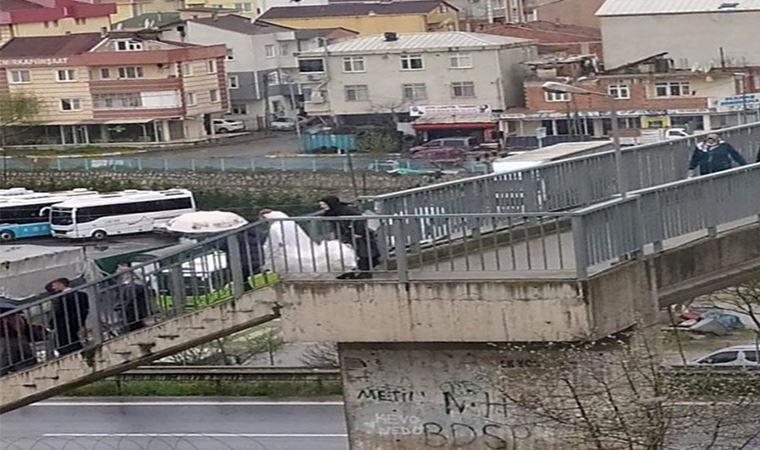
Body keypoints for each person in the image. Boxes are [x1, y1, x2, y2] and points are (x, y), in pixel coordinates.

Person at [319, 196, 380, 279]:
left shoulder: (346, 210)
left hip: (358, 235)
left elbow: (359, 219)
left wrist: (358, 232)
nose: (322, 207)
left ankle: (364, 273)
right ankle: (349, 272)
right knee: (348, 254)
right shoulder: (332, 212)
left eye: (324, 205)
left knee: (362, 253)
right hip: (346, 235)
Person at [48, 278, 90, 356]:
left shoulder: (62, 298)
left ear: (61, 284)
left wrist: (52, 323)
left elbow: (59, 312)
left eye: (54, 285)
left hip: (65, 324)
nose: (54, 288)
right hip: (76, 322)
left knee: (64, 342)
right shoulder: (81, 295)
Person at [0, 303, 37, 375]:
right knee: (26, 363)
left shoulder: (4, 320)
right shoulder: (17, 317)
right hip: (20, 339)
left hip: (8, 341)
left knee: (4, 364)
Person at [115, 263, 153, 332]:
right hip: (136, 308)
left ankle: (131, 325)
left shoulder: (128, 286)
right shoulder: (134, 277)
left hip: (132, 308)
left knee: (131, 311)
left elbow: (128, 300)